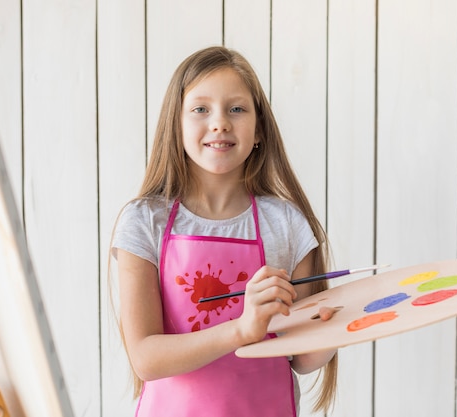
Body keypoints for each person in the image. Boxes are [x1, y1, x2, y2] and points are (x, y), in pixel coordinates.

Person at [111, 46, 337, 417]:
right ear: (176, 124)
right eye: (201, 109)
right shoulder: (144, 221)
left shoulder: (287, 224)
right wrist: (241, 329)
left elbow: (301, 356)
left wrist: (336, 331)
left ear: (259, 130)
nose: (220, 123)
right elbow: (145, 358)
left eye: (237, 109)